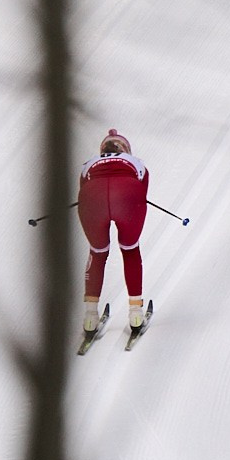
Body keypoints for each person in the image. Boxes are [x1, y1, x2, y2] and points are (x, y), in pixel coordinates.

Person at [77, 130, 150, 343]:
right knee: (130, 249)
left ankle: (90, 317)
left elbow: (82, 191)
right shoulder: (137, 163)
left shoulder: (88, 165)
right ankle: (136, 314)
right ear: (125, 149)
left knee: (98, 252)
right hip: (129, 193)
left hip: (92, 195)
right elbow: (142, 194)